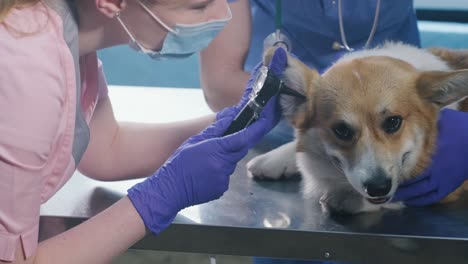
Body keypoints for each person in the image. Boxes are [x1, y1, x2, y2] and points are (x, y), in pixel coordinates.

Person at [0, 0, 287, 263]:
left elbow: (107, 149)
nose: (221, 16)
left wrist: (241, 121)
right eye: (199, 7)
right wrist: (160, 197)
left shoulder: (67, 33)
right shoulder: (26, 64)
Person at [199, 0, 468, 263]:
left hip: (400, 83)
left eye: (391, 124)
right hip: (283, 122)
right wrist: (307, 109)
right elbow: (220, 84)